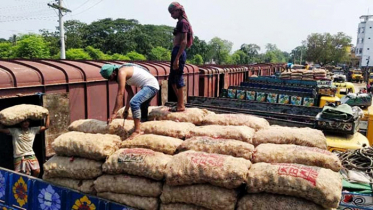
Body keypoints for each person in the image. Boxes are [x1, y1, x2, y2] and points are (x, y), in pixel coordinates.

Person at [100, 63, 159, 138]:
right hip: (152, 85)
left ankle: (137, 131)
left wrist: (114, 113)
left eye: (109, 77)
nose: (110, 80)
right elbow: (130, 94)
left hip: (151, 86)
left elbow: (120, 94)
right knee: (142, 106)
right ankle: (144, 125)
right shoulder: (123, 74)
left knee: (134, 102)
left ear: (114, 72)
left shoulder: (121, 72)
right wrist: (126, 110)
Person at [168, 2, 193, 112]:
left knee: (178, 78)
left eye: (173, 12)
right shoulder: (180, 23)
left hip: (179, 51)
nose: (171, 15)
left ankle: (181, 105)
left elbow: (183, 42)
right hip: (176, 51)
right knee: (172, 80)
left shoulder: (183, 22)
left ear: (178, 11)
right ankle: (180, 103)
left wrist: (177, 58)